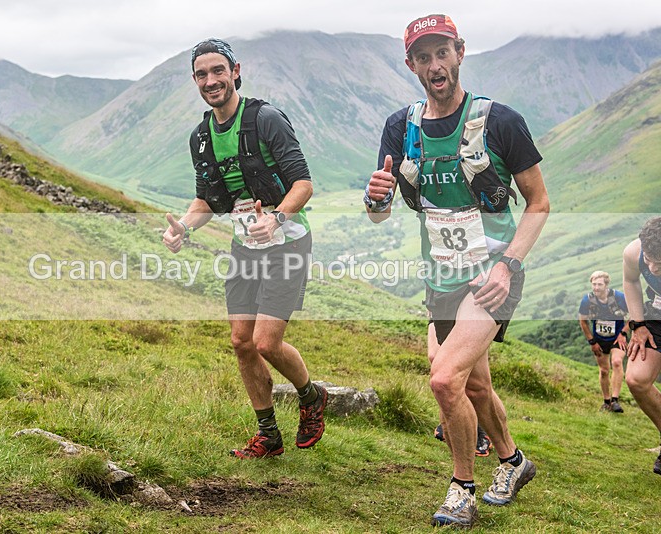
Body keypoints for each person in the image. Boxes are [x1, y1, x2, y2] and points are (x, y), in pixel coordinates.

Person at [365, 14, 550, 528]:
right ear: (411, 65)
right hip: (440, 278)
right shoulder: (400, 127)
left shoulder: (500, 121)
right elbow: (379, 209)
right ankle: (514, 462)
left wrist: (508, 267)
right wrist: (373, 199)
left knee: (445, 379)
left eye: (441, 52)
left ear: (460, 52)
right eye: (423, 57)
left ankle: (462, 487)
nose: (434, 64)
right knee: (472, 385)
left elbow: (538, 203)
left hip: (492, 277)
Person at [162, 38, 327, 459]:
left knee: (267, 343)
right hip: (244, 247)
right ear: (195, 81)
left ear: (236, 71)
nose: (210, 80)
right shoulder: (200, 137)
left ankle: (311, 398)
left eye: (218, 70)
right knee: (241, 341)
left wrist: (278, 216)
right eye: (201, 74)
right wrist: (183, 226)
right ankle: (269, 436)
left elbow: (303, 183)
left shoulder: (265, 119)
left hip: (287, 241)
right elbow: (206, 202)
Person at [623, 216, 661, 475]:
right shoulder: (634, 252)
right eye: (649, 260)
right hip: (656, 314)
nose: (653, 268)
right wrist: (638, 324)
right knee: (636, 379)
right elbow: (631, 281)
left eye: (659, 263)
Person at [578, 271, 629, 412]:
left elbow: (634, 315)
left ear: (606, 285)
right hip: (599, 339)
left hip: (618, 337)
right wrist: (592, 342)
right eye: (594, 284)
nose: (596, 287)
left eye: (599, 284)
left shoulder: (619, 297)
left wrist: (623, 333)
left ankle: (615, 400)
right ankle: (606, 402)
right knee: (604, 370)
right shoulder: (587, 300)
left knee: (617, 362)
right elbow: (583, 322)